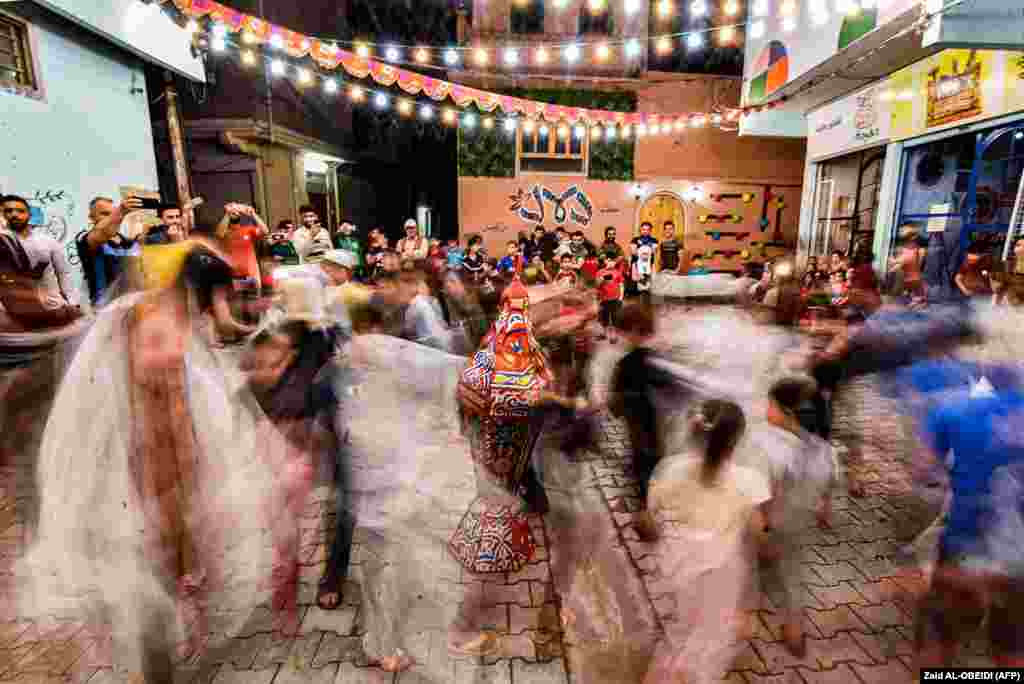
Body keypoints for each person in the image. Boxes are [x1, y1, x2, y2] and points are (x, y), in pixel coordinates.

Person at [642, 399, 770, 684]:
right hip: (720, 570)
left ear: (695, 431)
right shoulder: (750, 481)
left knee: (681, 626)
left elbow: (649, 519)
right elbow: (759, 533)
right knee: (709, 635)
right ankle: (684, 675)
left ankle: (668, 672)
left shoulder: (669, 468)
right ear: (736, 440)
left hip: (677, 562)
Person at [758, 376, 840, 657]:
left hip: (771, 521)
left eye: (770, 405)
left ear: (787, 413)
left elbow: (763, 495)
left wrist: (765, 528)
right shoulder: (825, 449)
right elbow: (831, 483)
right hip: (802, 520)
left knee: (762, 564)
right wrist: (825, 508)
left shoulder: (772, 450)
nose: (766, 410)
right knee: (794, 571)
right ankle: (796, 630)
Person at [608, 301, 684, 539]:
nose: (619, 336)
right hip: (661, 428)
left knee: (642, 471)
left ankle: (648, 523)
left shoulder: (625, 365)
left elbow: (616, 406)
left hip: (639, 430)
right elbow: (675, 393)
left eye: (622, 330)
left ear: (632, 331)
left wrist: (615, 403)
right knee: (652, 468)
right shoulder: (661, 360)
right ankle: (653, 510)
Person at [1, 195, 81, 324]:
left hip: (53, 308)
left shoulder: (47, 241)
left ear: (29, 214)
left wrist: (73, 302)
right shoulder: (3, 244)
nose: (14, 215)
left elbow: (64, 273)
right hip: (12, 315)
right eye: (8, 211)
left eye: (20, 211)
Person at [76, 195, 146, 306]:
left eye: (113, 213)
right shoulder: (86, 239)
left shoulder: (129, 242)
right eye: (105, 214)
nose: (112, 217)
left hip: (135, 308)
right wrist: (121, 211)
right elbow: (104, 232)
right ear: (91, 217)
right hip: (105, 312)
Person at [595, 252, 624, 342]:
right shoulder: (600, 272)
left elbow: (621, 284)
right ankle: (603, 334)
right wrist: (602, 279)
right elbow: (597, 285)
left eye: (613, 261)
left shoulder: (617, 272)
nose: (611, 262)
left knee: (615, 318)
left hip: (615, 299)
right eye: (608, 260)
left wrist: (621, 297)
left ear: (615, 262)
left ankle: (614, 336)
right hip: (603, 299)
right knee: (604, 318)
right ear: (605, 261)